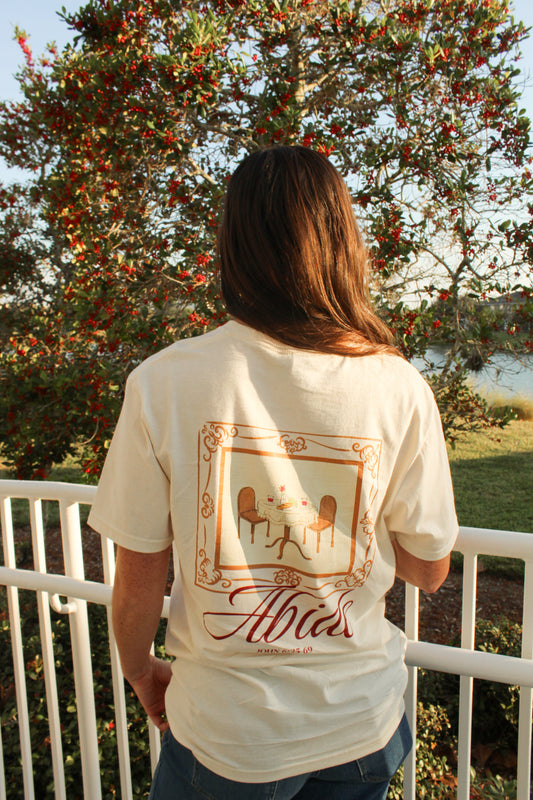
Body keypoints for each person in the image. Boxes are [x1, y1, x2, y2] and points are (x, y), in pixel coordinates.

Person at [88, 145, 458, 800]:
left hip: (228, 734)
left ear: (234, 246)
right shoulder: (398, 387)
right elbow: (429, 571)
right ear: (344, 245)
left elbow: (139, 571)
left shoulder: (164, 382)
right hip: (360, 724)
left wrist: (140, 670)